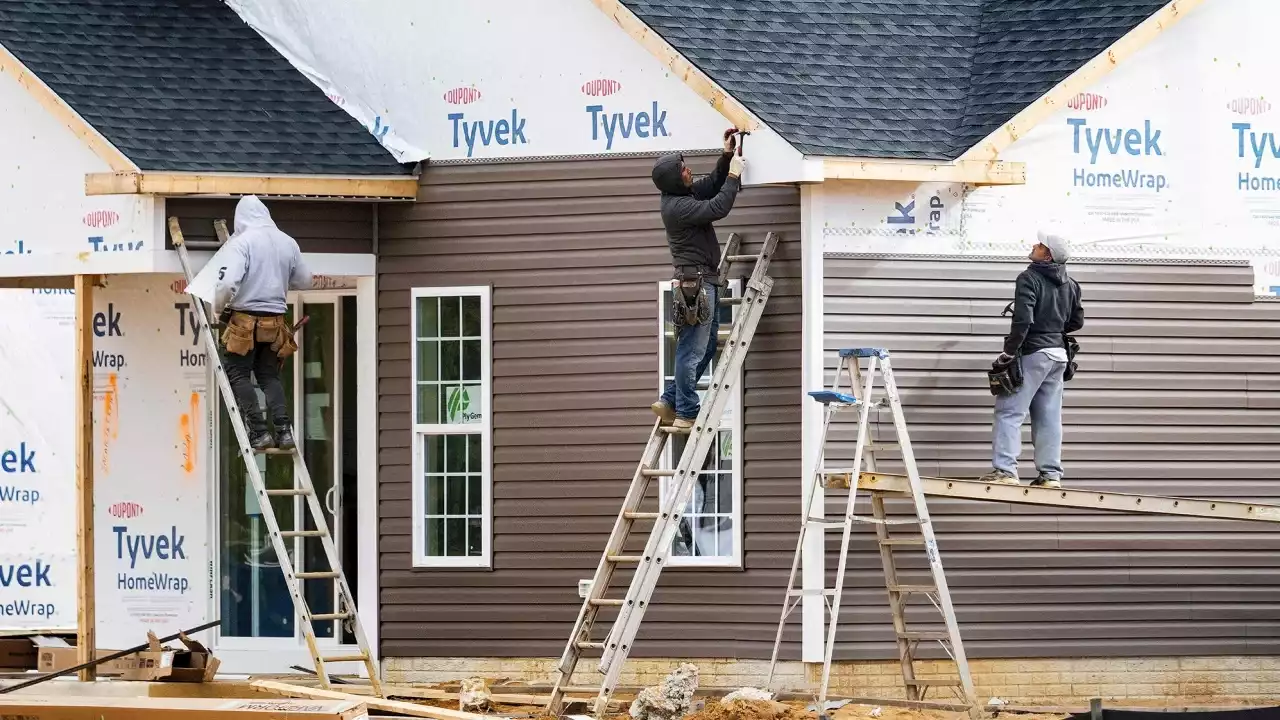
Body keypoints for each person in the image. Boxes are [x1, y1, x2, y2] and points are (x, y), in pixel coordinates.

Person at [649, 131, 746, 428]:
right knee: (691, 350)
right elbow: (718, 207)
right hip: (697, 284)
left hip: (703, 281)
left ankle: (670, 400)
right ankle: (687, 413)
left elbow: (710, 185)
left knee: (702, 348)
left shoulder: (682, 196)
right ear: (675, 180)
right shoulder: (678, 207)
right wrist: (733, 176)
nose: (689, 170)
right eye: (683, 170)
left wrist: (726, 157)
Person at [979, 231, 1084, 488]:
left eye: (1039, 245)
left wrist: (1009, 353)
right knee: (1049, 417)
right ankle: (1051, 476)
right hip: (1059, 355)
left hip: (1034, 353)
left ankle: (1005, 471)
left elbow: (1023, 320)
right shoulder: (1071, 284)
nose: (1034, 245)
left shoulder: (1029, 278)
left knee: (1009, 412)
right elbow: (1076, 321)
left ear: (1046, 255)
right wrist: (1054, 329)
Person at [212, 196, 312, 452]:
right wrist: (275, 280)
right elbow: (304, 280)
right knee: (269, 375)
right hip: (275, 322)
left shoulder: (241, 243)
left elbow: (226, 284)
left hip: (244, 321)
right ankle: (284, 431)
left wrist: (216, 309)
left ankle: (258, 432)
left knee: (237, 374)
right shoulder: (288, 242)